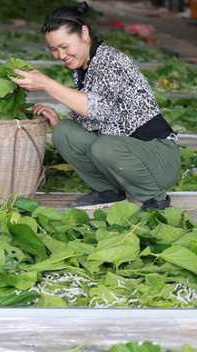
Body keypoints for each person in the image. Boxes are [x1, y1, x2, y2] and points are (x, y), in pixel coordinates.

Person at [12, 2, 180, 210]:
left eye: (64, 47)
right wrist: (58, 123)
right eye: (53, 49)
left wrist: (47, 83)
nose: (60, 55)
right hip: (124, 153)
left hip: (158, 158)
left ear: (84, 33)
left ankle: (155, 198)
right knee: (64, 132)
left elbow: (97, 109)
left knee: (105, 146)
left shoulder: (111, 61)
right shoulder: (83, 66)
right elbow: (99, 120)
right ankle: (109, 192)